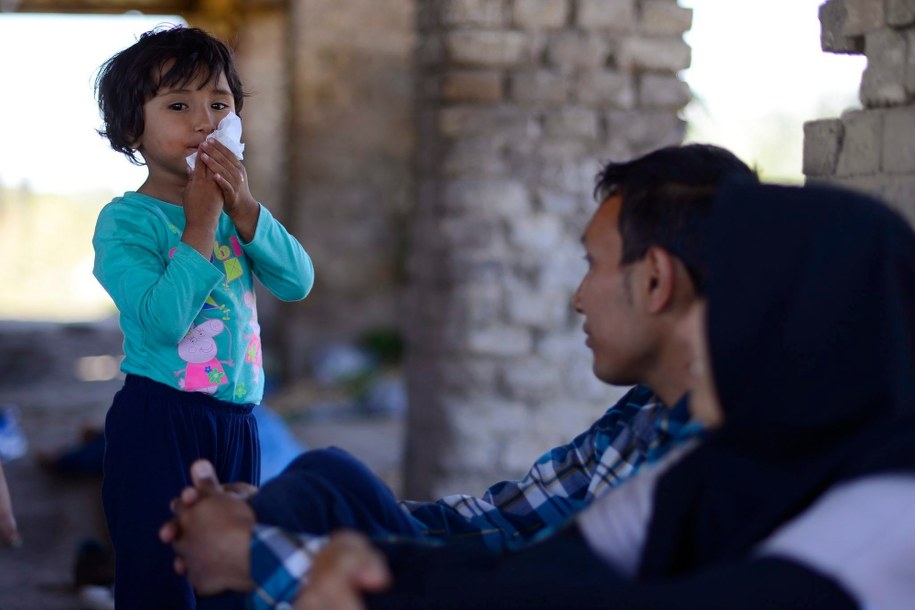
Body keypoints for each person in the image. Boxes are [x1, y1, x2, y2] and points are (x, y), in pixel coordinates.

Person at [261, 179, 915, 609]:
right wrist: (378, 570)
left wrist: (361, 581)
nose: (687, 329)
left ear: (803, 327)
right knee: (324, 478)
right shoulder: (726, 463)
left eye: (718, 302)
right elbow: (552, 570)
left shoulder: (888, 517)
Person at [158, 144, 760, 606]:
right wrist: (275, 516)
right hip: (509, 579)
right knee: (323, 479)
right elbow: (503, 523)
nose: (579, 298)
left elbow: (542, 591)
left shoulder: (718, 458)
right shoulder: (645, 412)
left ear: (656, 280)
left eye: (593, 265)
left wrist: (257, 554)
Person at [91, 24, 314, 610]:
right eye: (178, 105)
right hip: (158, 420)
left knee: (230, 575)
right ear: (131, 127)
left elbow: (297, 281)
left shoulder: (236, 212)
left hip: (237, 425)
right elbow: (163, 322)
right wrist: (199, 222)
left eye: (219, 103)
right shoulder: (127, 223)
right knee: (159, 579)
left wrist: (242, 208)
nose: (204, 121)